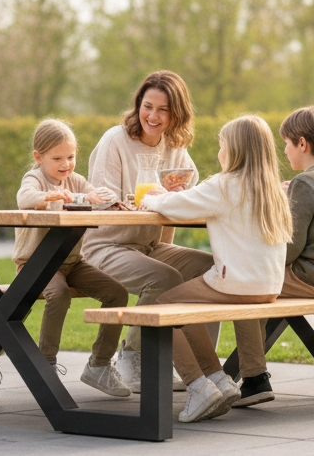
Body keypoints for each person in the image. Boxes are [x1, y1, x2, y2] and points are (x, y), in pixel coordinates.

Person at [0, 119, 132, 407]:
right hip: (35, 264)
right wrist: (51, 197)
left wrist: (107, 201)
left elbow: (93, 196)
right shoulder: (35, 178)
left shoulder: (76, 181)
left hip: (72, 263)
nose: (66, 164)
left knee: (117, 293)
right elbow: (25, 198)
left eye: (70, 157)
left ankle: (100, 365)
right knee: (55, 295)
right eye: (57, 158)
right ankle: (45, 364)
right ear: (39, 157)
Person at [141, 115, 293, 423]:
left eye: (222, 146)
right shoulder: (273, 189)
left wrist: (152, 198)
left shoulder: (224, 185)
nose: (219, 152)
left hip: (235, 284)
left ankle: (199, 386)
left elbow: (175, 206)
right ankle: (218, 379)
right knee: (186, 307)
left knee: (160, 308)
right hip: (268, 287)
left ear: (234, 150)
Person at [82, 71, 215, 392]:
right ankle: (132, 356)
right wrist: (143, 204)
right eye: (147, 106)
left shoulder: (174, 148)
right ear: (138, 105)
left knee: (212, 268)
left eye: (163, 109)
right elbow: (102, 201)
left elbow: (188, 193)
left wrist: (178, 197)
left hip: (148, 246)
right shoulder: (115, 141)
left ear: (177, 113)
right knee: (163, 278)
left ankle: (203, 366)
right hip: (106, 245)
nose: (153, 116)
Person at [231, 106, 314, 407]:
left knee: (246, 286)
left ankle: (254, 379)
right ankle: (250, 374)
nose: (284, 150)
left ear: (302, 144)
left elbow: (289, 249)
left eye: (287, 143)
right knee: (253, 283)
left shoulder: (305, 183)